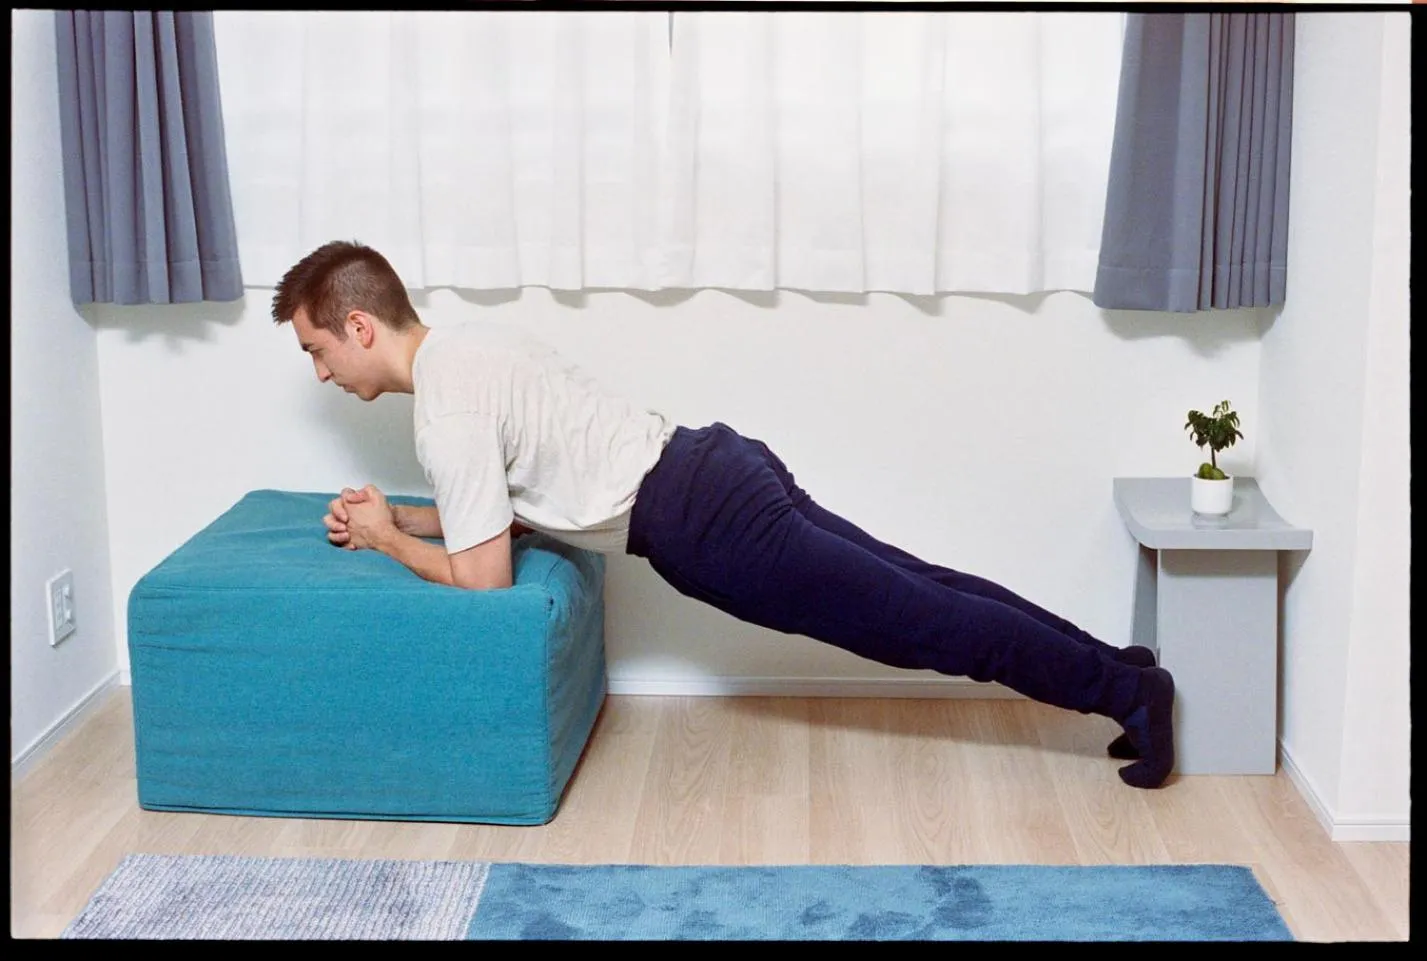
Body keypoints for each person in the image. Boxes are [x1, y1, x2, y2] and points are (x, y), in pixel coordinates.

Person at [273, 240, 1177, 790]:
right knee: (923, 588)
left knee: (922, 619)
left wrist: (389, 539)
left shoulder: (446, 408)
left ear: (359, 326)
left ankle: (1127, 691)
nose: (323, 373)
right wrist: (408, 515)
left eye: (318, 349)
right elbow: (502, 505)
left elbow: (485, 576)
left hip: (707, 524)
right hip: (716, 464)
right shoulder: (470, 348)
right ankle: (1119, 668)